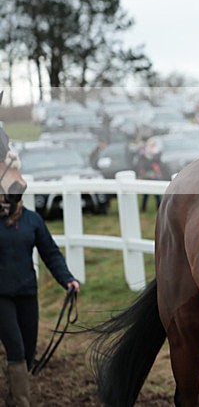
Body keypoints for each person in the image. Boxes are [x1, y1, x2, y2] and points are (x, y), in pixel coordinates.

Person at [0, 138, 80, 407]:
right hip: (1, 296)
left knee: (28, 349)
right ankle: (22, 402)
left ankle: (13, 394)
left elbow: (51, 254)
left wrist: (67, 279)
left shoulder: (32, 221)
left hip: (26, 292)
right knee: (16, 348)